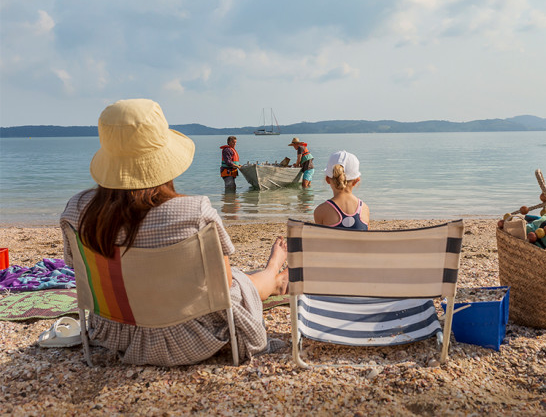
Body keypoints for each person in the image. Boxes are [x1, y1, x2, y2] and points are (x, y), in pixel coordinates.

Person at [59, 99, 288, 366]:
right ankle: (273, 275)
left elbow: (82, 272)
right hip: (189, 337)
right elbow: (224, 287)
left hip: (117, 332)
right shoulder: (194, 213)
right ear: (162, 158)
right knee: (238, 281)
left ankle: (273, 275)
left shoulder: (77, 210)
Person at [314, 150, 370, 229]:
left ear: (327, 179)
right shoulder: (364, 209)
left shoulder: (321, 210)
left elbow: (320, 239)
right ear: (356, 181)